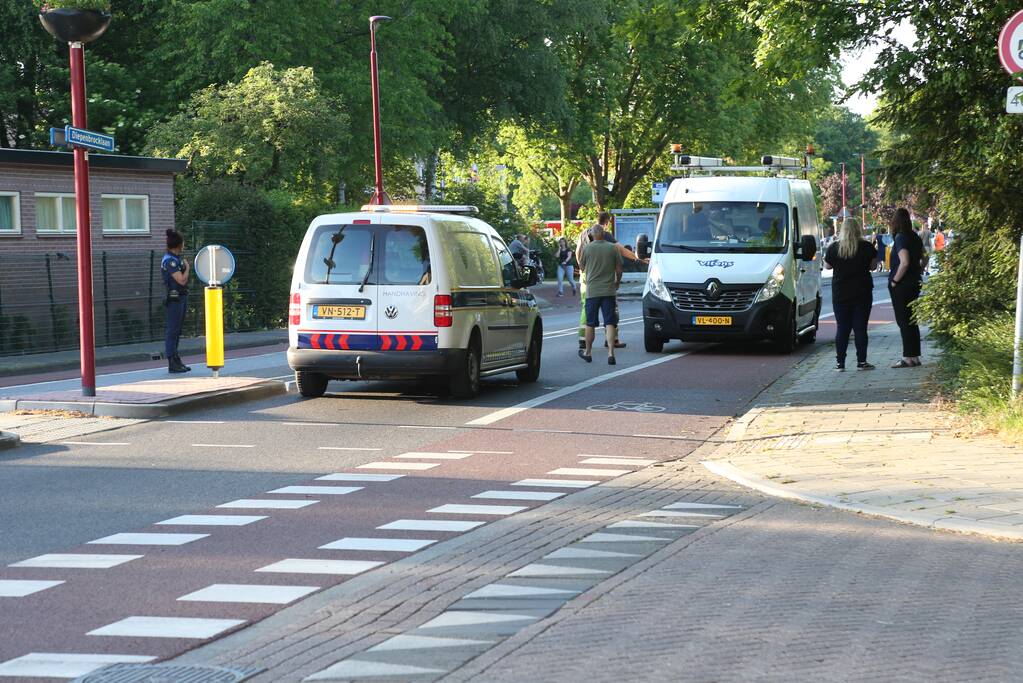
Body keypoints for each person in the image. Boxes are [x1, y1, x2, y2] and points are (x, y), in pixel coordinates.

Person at [575, 212, 648, 349]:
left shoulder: (584, 233)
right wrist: (638, 259)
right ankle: (613, 340)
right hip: (604, 279)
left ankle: (583, 338)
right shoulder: (605, 235)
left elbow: (578, 252)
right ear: (607, 222)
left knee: (587, 307)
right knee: (611, 310)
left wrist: (583, 269)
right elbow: (621, 250)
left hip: (586, 277)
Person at [824, 218, 878, 371]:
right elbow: (873, 267)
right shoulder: (867, 247)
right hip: (862, 292)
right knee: (861, 328)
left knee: (842, 328)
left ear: (842, 230)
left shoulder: (834, 247)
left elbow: (827, 266)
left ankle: (840, 363)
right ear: (858, 230)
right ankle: (862, 362)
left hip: (841, 293)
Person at [578, 223, 622, 365]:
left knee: (590, 323)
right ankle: (610, 353)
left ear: (592, 235)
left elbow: (582, 267)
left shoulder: (587, 248)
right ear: (603, 234)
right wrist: (617, 283)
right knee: (609, 322)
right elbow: (619, 269)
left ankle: (588, 352)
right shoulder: (612, 248)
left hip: (592, 291)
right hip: (609, 290)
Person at [888, 208, 925, 368]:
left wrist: (895, 280)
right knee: (912, 320)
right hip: (914, 282)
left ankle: (907, 357)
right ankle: (915, 356)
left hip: (902, 285)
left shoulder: (900, 238)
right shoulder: (915, 236)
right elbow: (925, 256)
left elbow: (904, 261)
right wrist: (919, 270)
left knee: (903, 321)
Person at [161, 229, 191, 373]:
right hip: (174, 298)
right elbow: (181, 280)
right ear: (179, 244)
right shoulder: (170, 261)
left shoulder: (176, 259)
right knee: (172, 330)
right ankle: (172, 361)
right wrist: (188, 269)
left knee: (177, 330)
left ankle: (176, 358)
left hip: (181, 297)